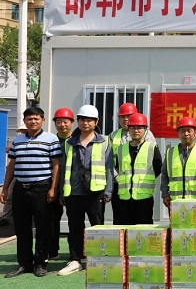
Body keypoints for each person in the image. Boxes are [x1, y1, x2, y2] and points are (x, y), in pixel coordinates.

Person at [1, 107, 61, 278]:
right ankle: (24, 264)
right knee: (22, 227)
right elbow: (11, 165)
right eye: (29, 119)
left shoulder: (51, 139)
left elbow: (56, 165)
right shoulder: (17, 141)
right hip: (21, 187)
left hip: (42, 188)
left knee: (43, 226)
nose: (33, 121)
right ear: (25, 121)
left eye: (36, 118)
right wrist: (5, 188)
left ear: (42, 120)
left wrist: (53, 188)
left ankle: (41, 263)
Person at [58, 105, 114, 276]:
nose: (85, 123)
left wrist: (108, 191)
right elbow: (63, 169)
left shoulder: (104, 141)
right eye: (82, 119)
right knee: (74, 227)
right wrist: (62, 191)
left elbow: (109, 167)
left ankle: (97, 258)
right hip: (73, 192)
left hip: (96, 191)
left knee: (97, 227)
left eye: (89, 120)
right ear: (78, 121)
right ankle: (75, 259)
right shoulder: (69, 143)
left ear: (96, 122)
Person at [108, 102, 155, 224]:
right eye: (122, 116)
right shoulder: (113, 136)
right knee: (120, 220)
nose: (126, 119)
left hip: (140, 186)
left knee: (142, 222)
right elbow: (109, 160)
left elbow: (155, 160)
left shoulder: (147, 134)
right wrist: (117, 177)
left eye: (129, 116)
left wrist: (145, 177)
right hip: (120, 186)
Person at [115, 113, 162, 225]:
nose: (136, 130)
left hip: (144, 197)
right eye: (133, 127)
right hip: (125, 198)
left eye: (139, 127)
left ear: (145, 129)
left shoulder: (151, 147)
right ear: (128, 129)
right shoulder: (121, 149)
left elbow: (158, 167)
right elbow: (118, 167)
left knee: (143, 230)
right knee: (125, 229)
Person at [161, 117, 196, 207]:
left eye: (189, 130)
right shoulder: (170, 152)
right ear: (178, 133)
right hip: (175, 202)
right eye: (183, 131)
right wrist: (165, 194)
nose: (186, 134)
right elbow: (164, 175)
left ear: (195, 133)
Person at [49, 107, 75, 260]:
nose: (62, 125)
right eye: (59, 122)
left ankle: (76, 253)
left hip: (73, 186)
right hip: (54, 186)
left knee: (74, 221)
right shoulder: (51, 141)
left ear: (72, 123)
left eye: (65, 121)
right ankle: (52, 251)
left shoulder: (76, 140)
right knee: (52, 220)